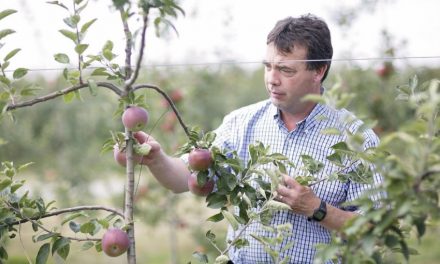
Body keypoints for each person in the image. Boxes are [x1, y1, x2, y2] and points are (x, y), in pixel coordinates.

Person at [140, 14, 382, 264]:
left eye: (286, 69)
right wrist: (156, 159)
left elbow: (375, 230)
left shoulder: (357, 140)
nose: (271, 79)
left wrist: (316, 208)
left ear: (318, 71)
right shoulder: (241, 123)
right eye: (268, 66)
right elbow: (186, 178)